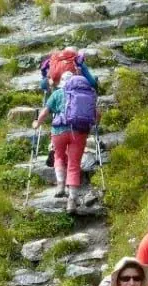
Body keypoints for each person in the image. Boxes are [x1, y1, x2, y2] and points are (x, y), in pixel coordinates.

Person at [33, 71, 99, 211]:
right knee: (74, 164)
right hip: (79, 132)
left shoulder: (57, 94)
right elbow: (97, 116)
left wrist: (37, 124)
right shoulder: (88, 95)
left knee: (58, 156)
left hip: (59, 132)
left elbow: (45, 112)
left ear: (63, 82)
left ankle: (60, 185)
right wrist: (93, 125)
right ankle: (72, 201)